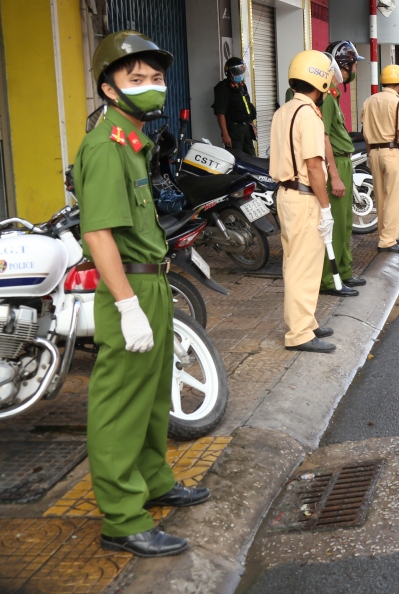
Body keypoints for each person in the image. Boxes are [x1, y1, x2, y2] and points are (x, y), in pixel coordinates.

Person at [75, 30, 209, 559]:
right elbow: (98, 234)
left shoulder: (133, 141)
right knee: (119, 407)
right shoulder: (106, 147)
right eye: (137, 79)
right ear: (109, 89)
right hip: (127, 286)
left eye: (156, 79)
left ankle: (153, 480)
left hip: (151, 280)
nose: (152, 88)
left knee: (153, 397)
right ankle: (122, 517)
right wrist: (128, 306)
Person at [269, 50, 338, 354]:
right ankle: (299, 333)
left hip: (286, 195)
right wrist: (325, 209)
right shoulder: (308, 115)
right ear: (320, 82)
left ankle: (305, 321)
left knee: (295, 263)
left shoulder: (283, 110)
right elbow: (313, 165)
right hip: (304, 197)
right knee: (303, 266)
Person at [292, 41, 366, 298]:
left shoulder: (333, 97)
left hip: (344, 161)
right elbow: (322, 140)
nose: (355, 69)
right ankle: (329, 278)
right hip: (333, 164)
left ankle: (343, 272)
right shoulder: (324, 99)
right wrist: (333, 175)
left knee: (345, 224)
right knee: (332, 225)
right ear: (344, 66)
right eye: (353, 64)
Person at [361, 65, 399, 252]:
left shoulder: (370, 100)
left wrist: (369, 153)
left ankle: (385, 235)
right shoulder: (398, 103)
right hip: (392, 153)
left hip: (374, 152)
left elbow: (364, 131)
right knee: (394, 197)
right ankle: (388, 240)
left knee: (381, 196)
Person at [212, 56, 257, 154]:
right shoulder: (222, 89)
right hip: (234, 130)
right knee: (236, 159)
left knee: (252, 158)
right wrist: (225, 134)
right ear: (230, 73)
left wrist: (252, 126)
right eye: (237, 72)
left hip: (246, 129)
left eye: (242, 70)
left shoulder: (242, 86)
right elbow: (220, 114)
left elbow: (247, 107)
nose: (240, 74)